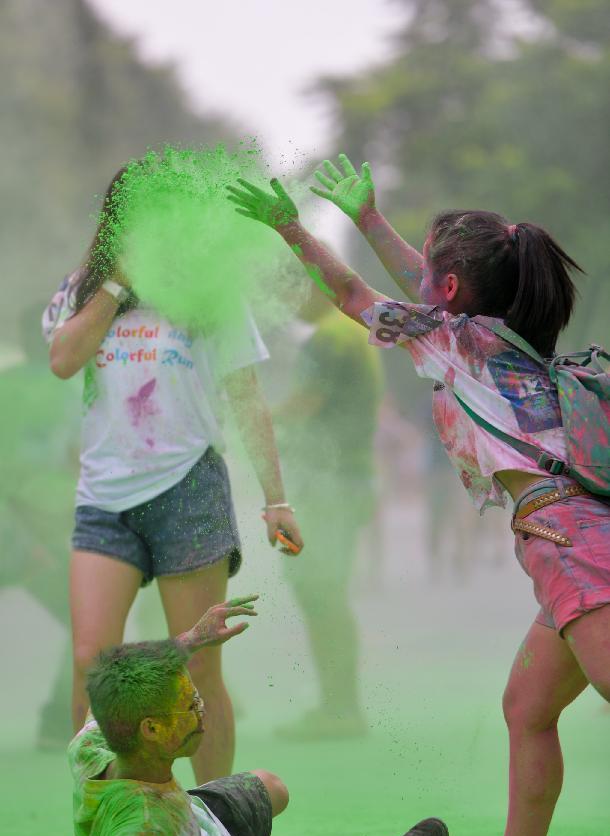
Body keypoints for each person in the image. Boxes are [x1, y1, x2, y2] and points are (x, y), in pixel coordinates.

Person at [226, 156, 610, 836]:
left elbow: (349, 292)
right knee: (528, 709)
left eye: (430, 275)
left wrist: (289, 228)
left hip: (571, 544)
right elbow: (420, 286)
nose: (419, 283)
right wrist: (368, 219)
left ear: (451, 292)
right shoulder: (499, 338)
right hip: (575, 536)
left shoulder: (459, 344)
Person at [44, 165, 303, 785]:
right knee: (93, 664)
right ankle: (106, 821)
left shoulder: (209, 292)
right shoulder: (82, 289)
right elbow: (62, 360)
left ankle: (220, 827)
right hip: (104, 499)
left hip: (188, 488)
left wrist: (276, 500)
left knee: (198, 671)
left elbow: (246, 398)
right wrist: (115, 286)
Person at [71, 593, 448, 836]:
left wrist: (192, 641)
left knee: (273, 786)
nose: (203, 712)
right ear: (151, 728)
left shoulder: (93, 747)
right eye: (191, 706)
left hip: (199, 821)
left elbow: (115, 679)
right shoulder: (141, 833)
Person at [272, 285, 383, 738]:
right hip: (348, 480)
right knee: (324, 593)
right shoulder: (351, 332)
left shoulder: (329, 338)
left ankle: (340, 710)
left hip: (328, 485)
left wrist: (253, 420)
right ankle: (339, 706)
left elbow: (305, 405)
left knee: (321, 593)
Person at [0, 305, 80, 747]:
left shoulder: (3, 386)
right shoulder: (71, 387)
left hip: (13, 527)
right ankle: (56, 720)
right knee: (85, 616)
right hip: (33, 526)